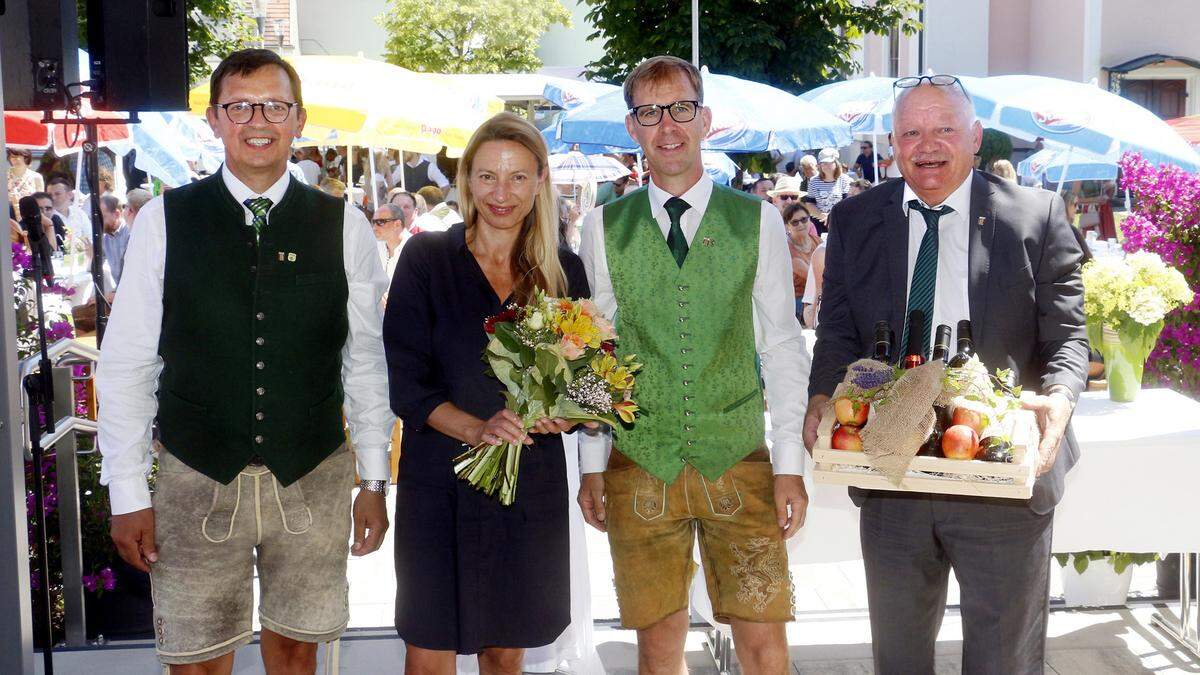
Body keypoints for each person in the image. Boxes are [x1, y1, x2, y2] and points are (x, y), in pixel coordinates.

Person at [96, 48, 394, 672]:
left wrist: (373, 479)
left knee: (296, 655)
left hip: (312, 474)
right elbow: (126, 365)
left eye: (274, 105)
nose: (257, 119)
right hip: (194, 475)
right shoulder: (163, 221)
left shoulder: (345, 225)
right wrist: (126, 491)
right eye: (239, 105)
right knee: (196, 659)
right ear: (214, 119)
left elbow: (364, 361)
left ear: (299, 118)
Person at [803, 75, 1088, 674]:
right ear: (892, 143)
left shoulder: (1034, 215)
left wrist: (1060, 398)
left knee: (1003, 661)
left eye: (944, 129)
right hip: (891, 472)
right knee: (900, 659)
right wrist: (822, 395)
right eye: (911, 131)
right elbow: (837, 332)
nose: (926, 144)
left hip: (1002, 478)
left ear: (976, 138)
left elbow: (1066, 337)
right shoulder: (855, 221)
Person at [576, 55, 809, 674]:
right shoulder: (601, 227)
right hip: (639, 462)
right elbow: (595, 353)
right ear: (633, 128)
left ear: (704, 118)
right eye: (649, 113)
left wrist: (789, 465)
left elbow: (782, 345)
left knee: (764, 644)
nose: (667, 125)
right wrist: (592, 463)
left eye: (680, 107)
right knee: (657, 653)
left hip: (738, 457)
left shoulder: (755, 219)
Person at [384, 111, 590, 672]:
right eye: (489, 176)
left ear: (541, 181)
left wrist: (566, 416)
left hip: (527, 485)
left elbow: (586, 379)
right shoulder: (426, 259)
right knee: (429, 650)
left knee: (506, 651)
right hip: (438, 482)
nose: (503, 193)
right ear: (467, 179)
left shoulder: (562, 271)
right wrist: (477, 428)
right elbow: (406, 383)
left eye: (519, 177)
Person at [782, 201, 820, 319]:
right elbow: (812, 278)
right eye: (794, 222)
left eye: (804, 219)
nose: (800, 224)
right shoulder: (786, 249)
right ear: (787, 225)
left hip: (818, 294)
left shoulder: (818, 241)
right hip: (798, 299)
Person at [371, 202, 411, 286]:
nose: (374, 227)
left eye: (380, 222)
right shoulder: (376, 247)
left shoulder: (415, 249)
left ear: (397, 224)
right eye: (373, 222)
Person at [807, 148, 852, 219]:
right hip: (820, 222)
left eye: (829, 163)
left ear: (836, 163)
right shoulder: (813, 181)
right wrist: (821, 215)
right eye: (823, 163)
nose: (826, 166)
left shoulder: (844, 179)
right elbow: (809, 204)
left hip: (841, 219)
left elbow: (847, 202)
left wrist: (833, 217)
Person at [99, 194, 131, 286]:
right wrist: (91, 257)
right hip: (120, 290)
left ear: (116, 214)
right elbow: (95, 268)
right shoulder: (105, 238)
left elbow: (133, 274)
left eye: (103, 217)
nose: (98, 222)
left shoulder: (130, 233)